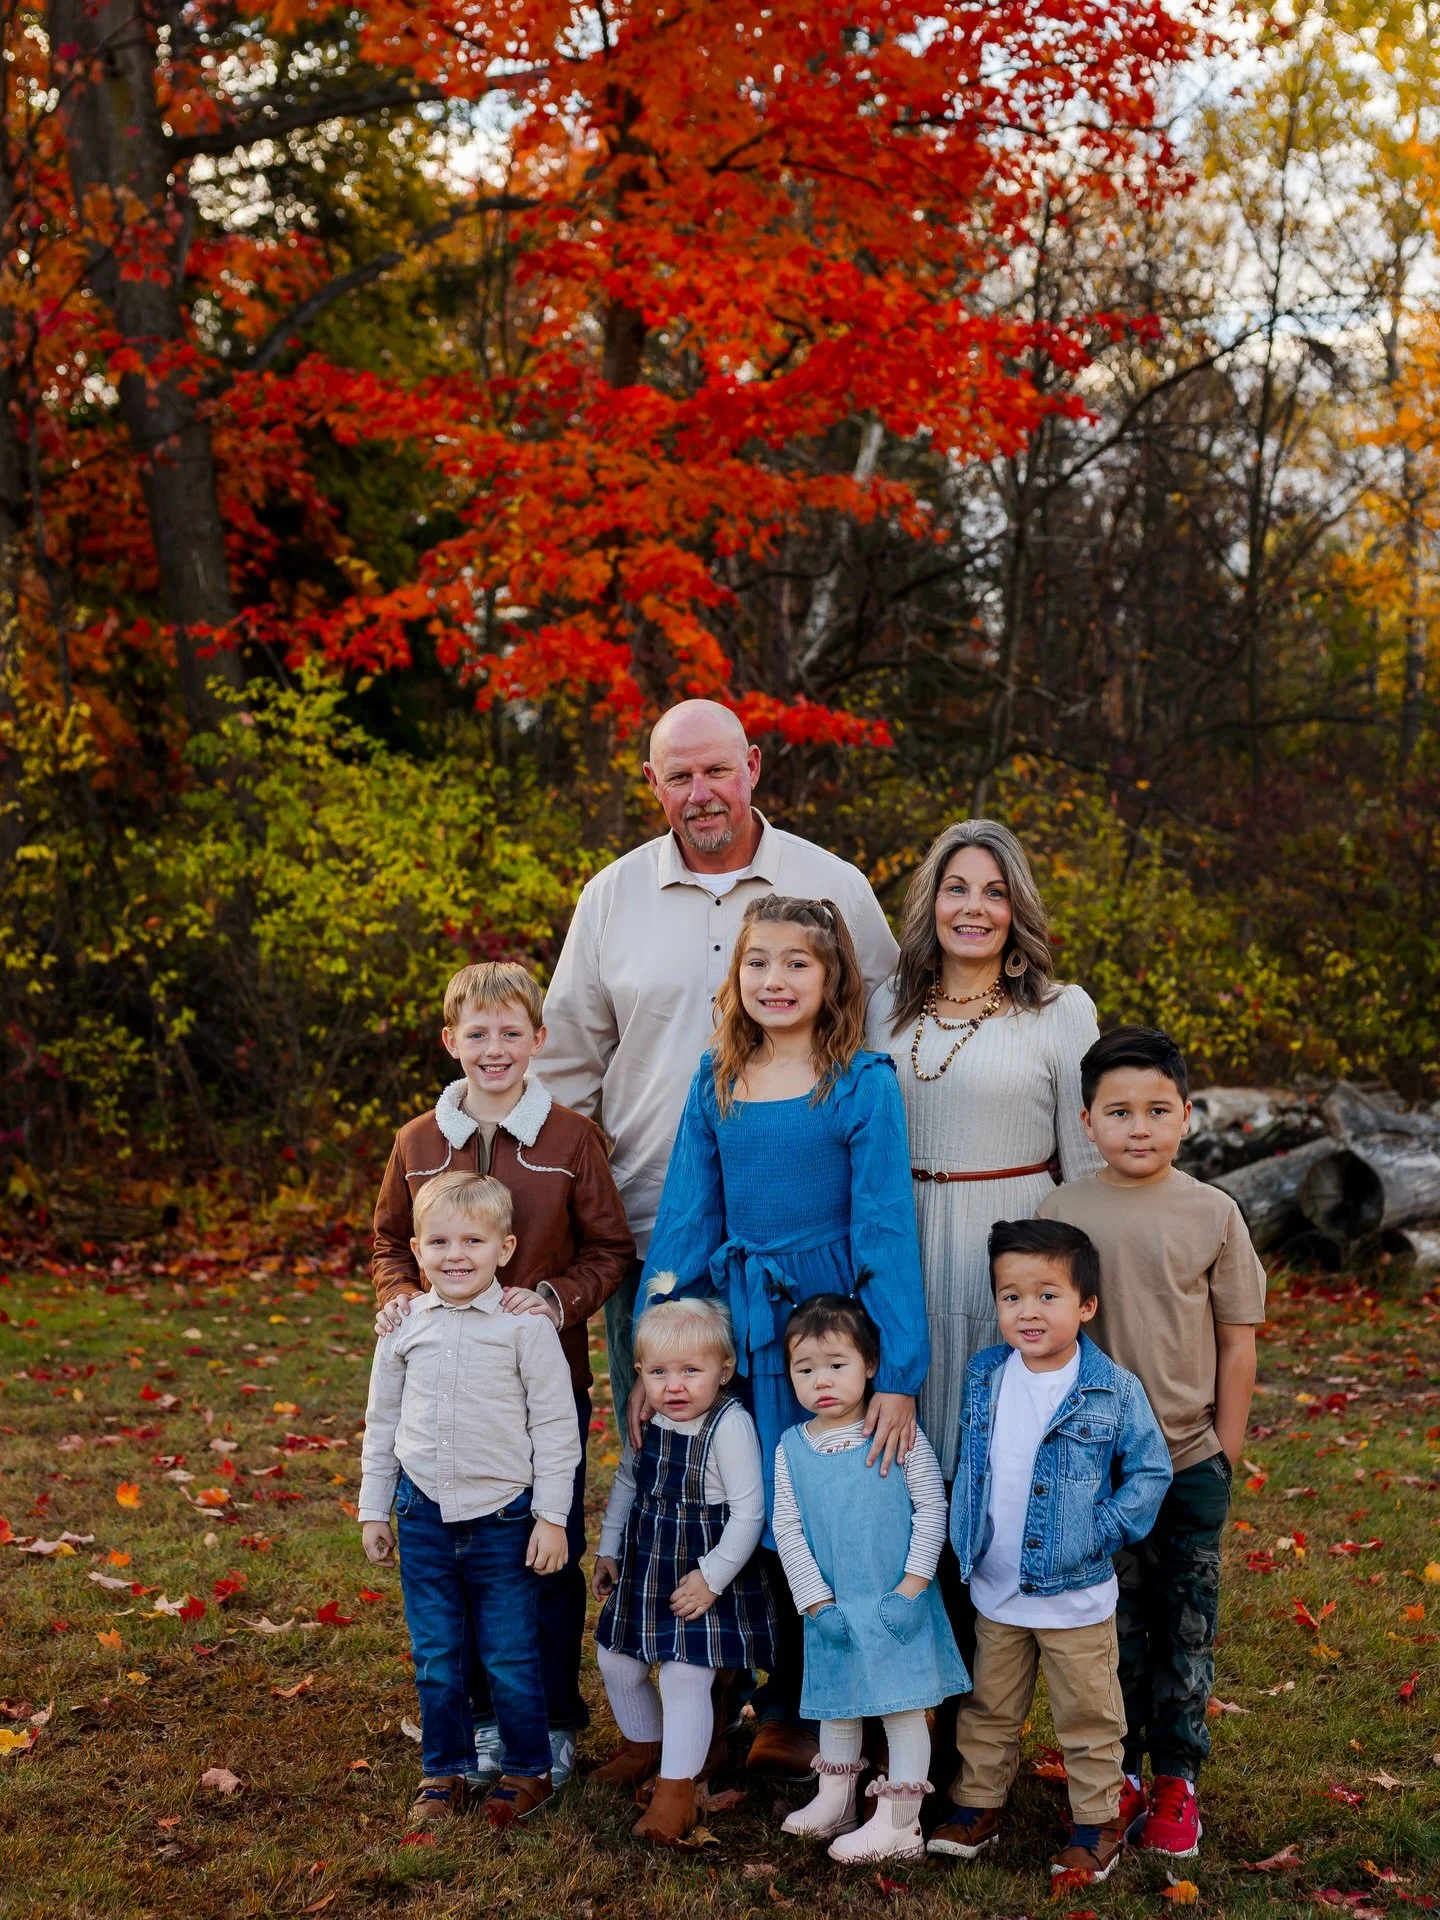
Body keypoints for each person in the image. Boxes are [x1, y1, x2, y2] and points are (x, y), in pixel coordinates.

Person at [540, 699, 898, 1466]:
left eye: (716, 771)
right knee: (670, 1438)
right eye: (679, 776)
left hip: (811, 1237)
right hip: (651, 1223)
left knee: (810, 1442)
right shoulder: (612, 896)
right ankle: (670, 1579)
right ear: (652, 784)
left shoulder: (832, 883)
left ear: (753, 768)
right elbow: (564, 1066)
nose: (700, 792)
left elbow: (885, 1030)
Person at [633, 893, 929, 1775]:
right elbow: (686, 1219)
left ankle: (809, 1703)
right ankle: (724, 1688)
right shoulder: (714, 1079)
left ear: (833, 977)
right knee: (737, 1498)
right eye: (759, 961)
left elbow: (885, 1231)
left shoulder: (861, 1084)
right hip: (742, 1324)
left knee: (821, 1507)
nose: (776, 979)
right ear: (736, 977)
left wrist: (898, 1371)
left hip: (824, 1337)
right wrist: (659, 1351)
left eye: (799, 962)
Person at [370, 961, 634, 1787]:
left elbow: (610, 1249)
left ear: (539, 1040)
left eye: (511, 1033)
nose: (494, 1049)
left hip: (540, 1380)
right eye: (476, 1034)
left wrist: (555, 1300)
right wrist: (398, 1295)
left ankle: (550, 1721)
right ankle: (483, 1724)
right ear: (451, 1041)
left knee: (539, 1556)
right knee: (451, 1561)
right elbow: (387, 1241)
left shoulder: (568, 1139)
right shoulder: (417, 1144)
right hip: (441, 1392)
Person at [1037, 1026, 1265, 1860]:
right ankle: (1116, 1770)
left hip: (1187, 1459)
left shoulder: (1213, 1212)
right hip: (1094, 1468)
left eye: (1157, 1110)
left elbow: (1238, 1339)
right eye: (1119, 1111)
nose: (1139, 1127)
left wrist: (1225, 1452)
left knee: (1186, 1625)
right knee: (1108, 1626)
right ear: (1088, 1121)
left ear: (1186, 1117)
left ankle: (1177, 1778)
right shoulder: (1064, 1211)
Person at [929, 1219, 1171, 1881]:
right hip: (996, 1586)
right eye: (1011, 1296)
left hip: (1074, 1593)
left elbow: (1150, 1471)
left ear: (1085, 1305)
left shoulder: (1110, 1389)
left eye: (1047, 1295)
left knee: (1089, 1715)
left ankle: (1097, 1819)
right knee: (989, 1707)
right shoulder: (986, 1374)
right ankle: (978, 1805)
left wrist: (1101, 1530)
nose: (1027, 1311)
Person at [358, 1171, 581, 1831]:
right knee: (436, 1655)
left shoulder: (524, 1328)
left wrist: (552, 1518)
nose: (456, 1255)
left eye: (473, 1241)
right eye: (439, 1242)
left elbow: (556, 1429)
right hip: (423, 1516)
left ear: (504, 1248)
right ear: (418, 1251)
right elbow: (382, 1423)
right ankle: (445, 1769)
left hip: (505, 1518)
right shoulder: (403, 1327)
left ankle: (527, 1767)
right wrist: (375, 1507)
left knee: (510, 1653)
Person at [772, 1295, 969, 1864]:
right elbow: (788, 1527)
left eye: (837, 1364)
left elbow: (932, 1505)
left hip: (894, 1599)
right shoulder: (792, 1447)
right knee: (837, 1702)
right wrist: (814, 1603)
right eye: (805, 1370)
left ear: (871, 1365)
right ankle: (837, 1800)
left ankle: (900, 1825)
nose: (822, 1381)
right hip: (831, 1605)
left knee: (901, 1706)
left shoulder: (896, 1431)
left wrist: (912, 1588)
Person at [592, 1297, 776, 1847]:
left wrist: (712, 1576)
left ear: (724, 1372)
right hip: (649, 1564)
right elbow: (627, 1482)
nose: (673, 1386)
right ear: (639, 1374)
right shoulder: (651, 1418)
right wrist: (608, 1550)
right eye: (657, 1372)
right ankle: (646, 1745)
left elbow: (750, 1511)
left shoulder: (729, 1425)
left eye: (691, 1371)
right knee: (616, 1659)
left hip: (706, 1572)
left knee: (684, 1673)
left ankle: (679, 1789)